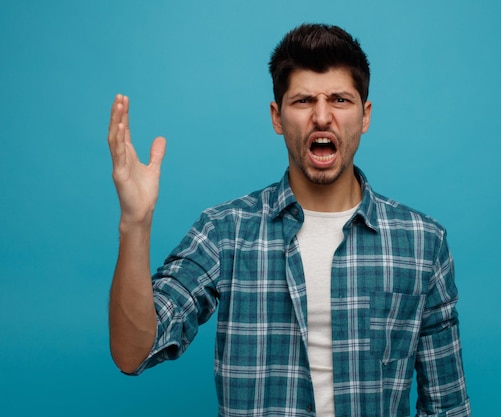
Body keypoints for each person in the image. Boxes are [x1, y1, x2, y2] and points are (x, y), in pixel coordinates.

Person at [107, 23, 471, 417]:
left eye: (339, 100)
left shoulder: (422, 243)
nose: (321, 116)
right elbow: (134, 352)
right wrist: (135, 221)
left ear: (365, 116)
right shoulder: (225, 233)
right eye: (302, 101)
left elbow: (447, 407)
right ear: (277, 117)